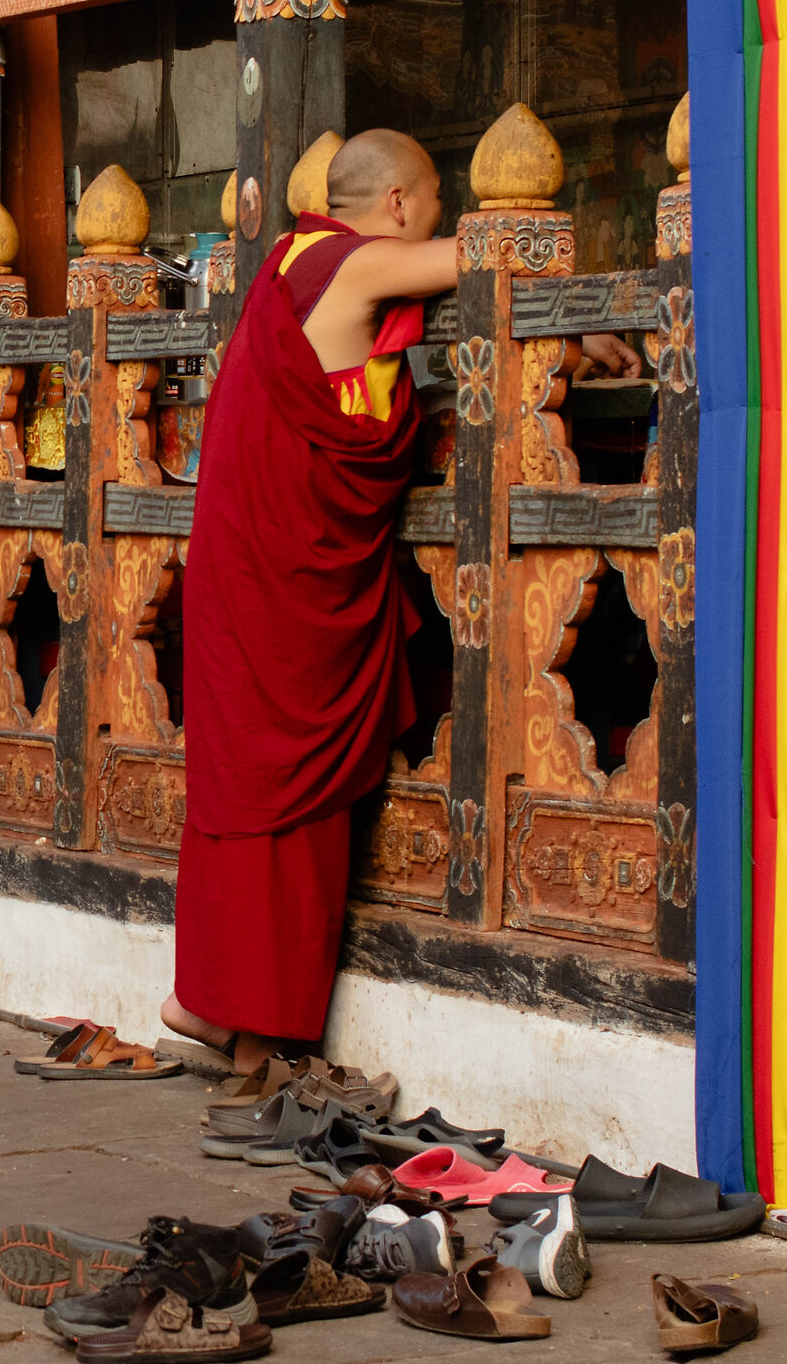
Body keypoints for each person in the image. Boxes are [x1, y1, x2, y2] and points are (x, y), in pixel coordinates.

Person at [170, 131, 642, 1072]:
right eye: (434, 202)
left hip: (263, 566)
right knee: (281, 791)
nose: (439, 217)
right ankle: (253, 1033)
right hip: (285, 583)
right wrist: (576, 312)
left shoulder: (293, 264)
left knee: (253, 785)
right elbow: (502, 248)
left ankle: (212, 1006)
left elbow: (354, 390)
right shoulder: (351, 266)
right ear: (394, 205)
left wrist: (565, 342)